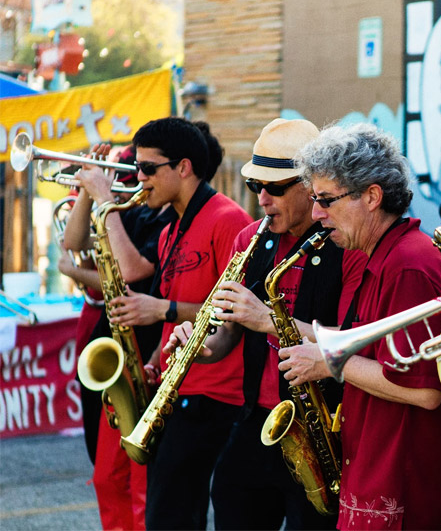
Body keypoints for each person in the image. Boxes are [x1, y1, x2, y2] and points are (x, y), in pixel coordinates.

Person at [164, 118, 365, 530]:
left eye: (274, 188)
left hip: (324, 425)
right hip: (258, 419)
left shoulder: (346, 243)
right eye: (257, 187)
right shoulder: (250, 239)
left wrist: (269, 319)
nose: (262, 199)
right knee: (230, 499)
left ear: (310, 186)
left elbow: (352, 340)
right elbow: (226, 334)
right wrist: (200, 345)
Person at [277, 123, 441, 530]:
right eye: (315, 200)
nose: (316, 214)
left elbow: (425, 391)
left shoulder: (409, 266)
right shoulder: (376, 256)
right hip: (378, 476)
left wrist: (329, 363)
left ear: (372, 197)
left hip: (407, 489)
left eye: (327, 200)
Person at [108, 117, 252, 530]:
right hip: (176, 388)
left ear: (183, 167)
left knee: (171, 515)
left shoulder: (228, 219)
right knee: (167, 513)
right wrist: (153, 361)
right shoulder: (171, 229)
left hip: (216, 393)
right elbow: (172, 303)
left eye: (148, 169)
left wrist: (162, 310)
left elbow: (235, 306)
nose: (139, 179)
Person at [60, 144, 176, 531]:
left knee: (138, 481)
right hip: (114, 344)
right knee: (106, 476)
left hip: (145, 351)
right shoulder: (139, 212)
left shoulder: (168, 220)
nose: (140, 180)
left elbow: (130, 271)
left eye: (146, 170)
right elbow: (74, 244)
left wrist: (105, 197)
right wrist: (87, 191)